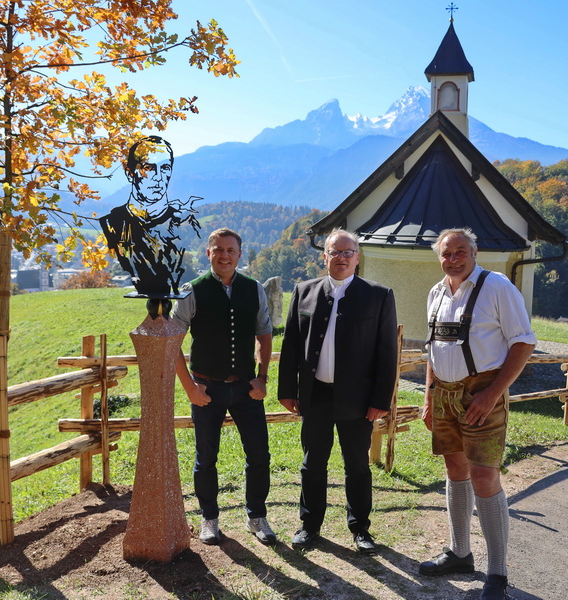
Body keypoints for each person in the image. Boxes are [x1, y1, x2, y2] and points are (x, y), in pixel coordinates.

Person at [419, 228, 536, 600]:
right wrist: (428, 397)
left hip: (481, 393)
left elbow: (523, 342)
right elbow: (433, 350)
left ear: (474, 251)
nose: (452, 259)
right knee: (455, 470)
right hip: (444, 395)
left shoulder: (497, 286)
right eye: (446, 254)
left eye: (459, 252)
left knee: (484, 476)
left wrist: (491, 394)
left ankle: (497, 573)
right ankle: (459, 553)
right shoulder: (436, 292)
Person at [277, 228, 398, 554]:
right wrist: (287, 390)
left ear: (357, 257)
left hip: (358, 400)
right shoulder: (304, 292)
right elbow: (290, 345)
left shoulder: (378, 295)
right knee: (312, 463)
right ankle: (309, 525)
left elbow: (388, 354)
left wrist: (379, 401)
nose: (342, 258)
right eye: (336, 252)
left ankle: (360, 529)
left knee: (356, 465)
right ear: (325, 256)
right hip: (315, 394)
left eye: (348, 252)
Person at [172, 228, 276, 546]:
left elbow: (264, 334)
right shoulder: (192, 290)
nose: (225, 255)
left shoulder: (254, 289)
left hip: (246, 387)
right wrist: (190, 387)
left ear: (239, 254)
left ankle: (256, 516)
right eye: (218, 249)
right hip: (206, 388)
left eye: (231, 250)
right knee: (206, 457)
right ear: (208, 253)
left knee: (259, 454)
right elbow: (172, 341)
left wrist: (262, 377)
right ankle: (209, 519)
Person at [99, 135, 199, 295]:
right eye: (149, 168)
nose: (159, 178)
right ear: (130, 173)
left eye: (165, 168)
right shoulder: (112, 223)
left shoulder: (185, 222)